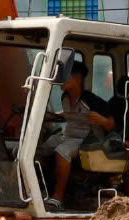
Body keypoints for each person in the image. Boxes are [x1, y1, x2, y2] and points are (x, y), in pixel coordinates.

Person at [46, 59, 116, 211]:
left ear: (77, 78)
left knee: (62, 151)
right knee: (42, 147)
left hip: (88, 140)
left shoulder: (92, 101)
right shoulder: (64, 97)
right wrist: (50, 116)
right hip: (69, 135)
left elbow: (111, 124)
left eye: (65, 76)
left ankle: (58, 197)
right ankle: (40, 188)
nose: (60, 81)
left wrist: (102, 120)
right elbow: (69, 114)